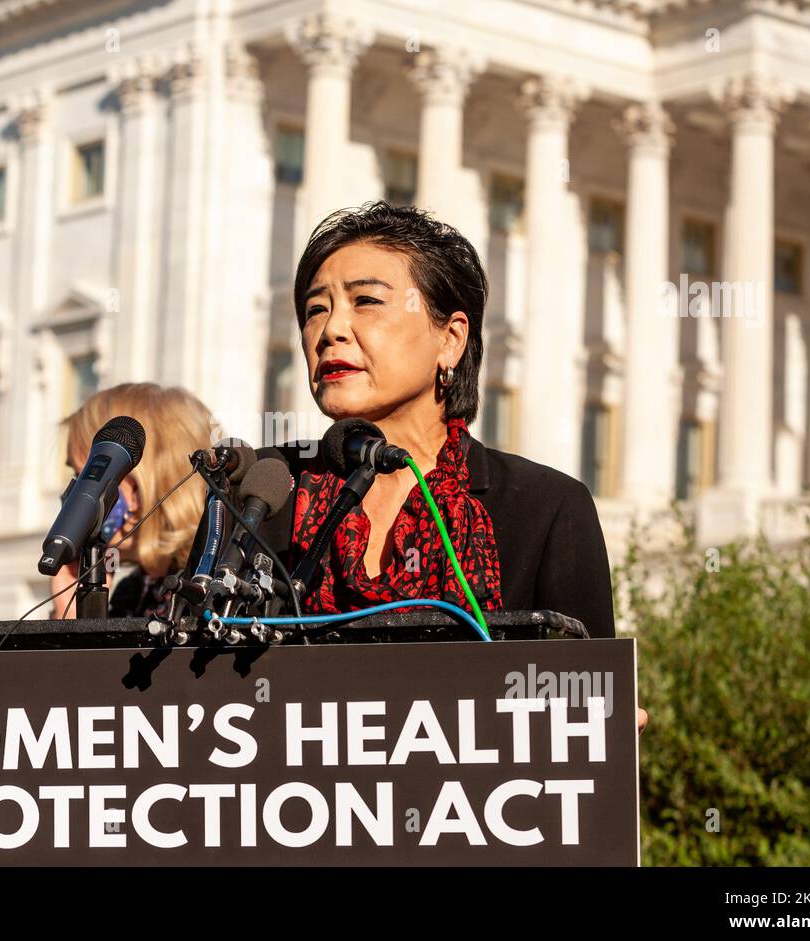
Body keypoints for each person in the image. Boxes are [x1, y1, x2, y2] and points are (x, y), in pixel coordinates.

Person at [266, 201, 647, 732]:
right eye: (315, 309)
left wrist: (601, 727)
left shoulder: (544, 508)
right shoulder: (262, 491)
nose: (331, 330)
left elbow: (586, 714)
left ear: (451, 338)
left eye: (366, 301)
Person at [51, 383, 215, 619]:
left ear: (138, 488)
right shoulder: (132, 592)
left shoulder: (212, 592)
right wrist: (72, 615)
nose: (73, 498)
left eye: (87, 478)